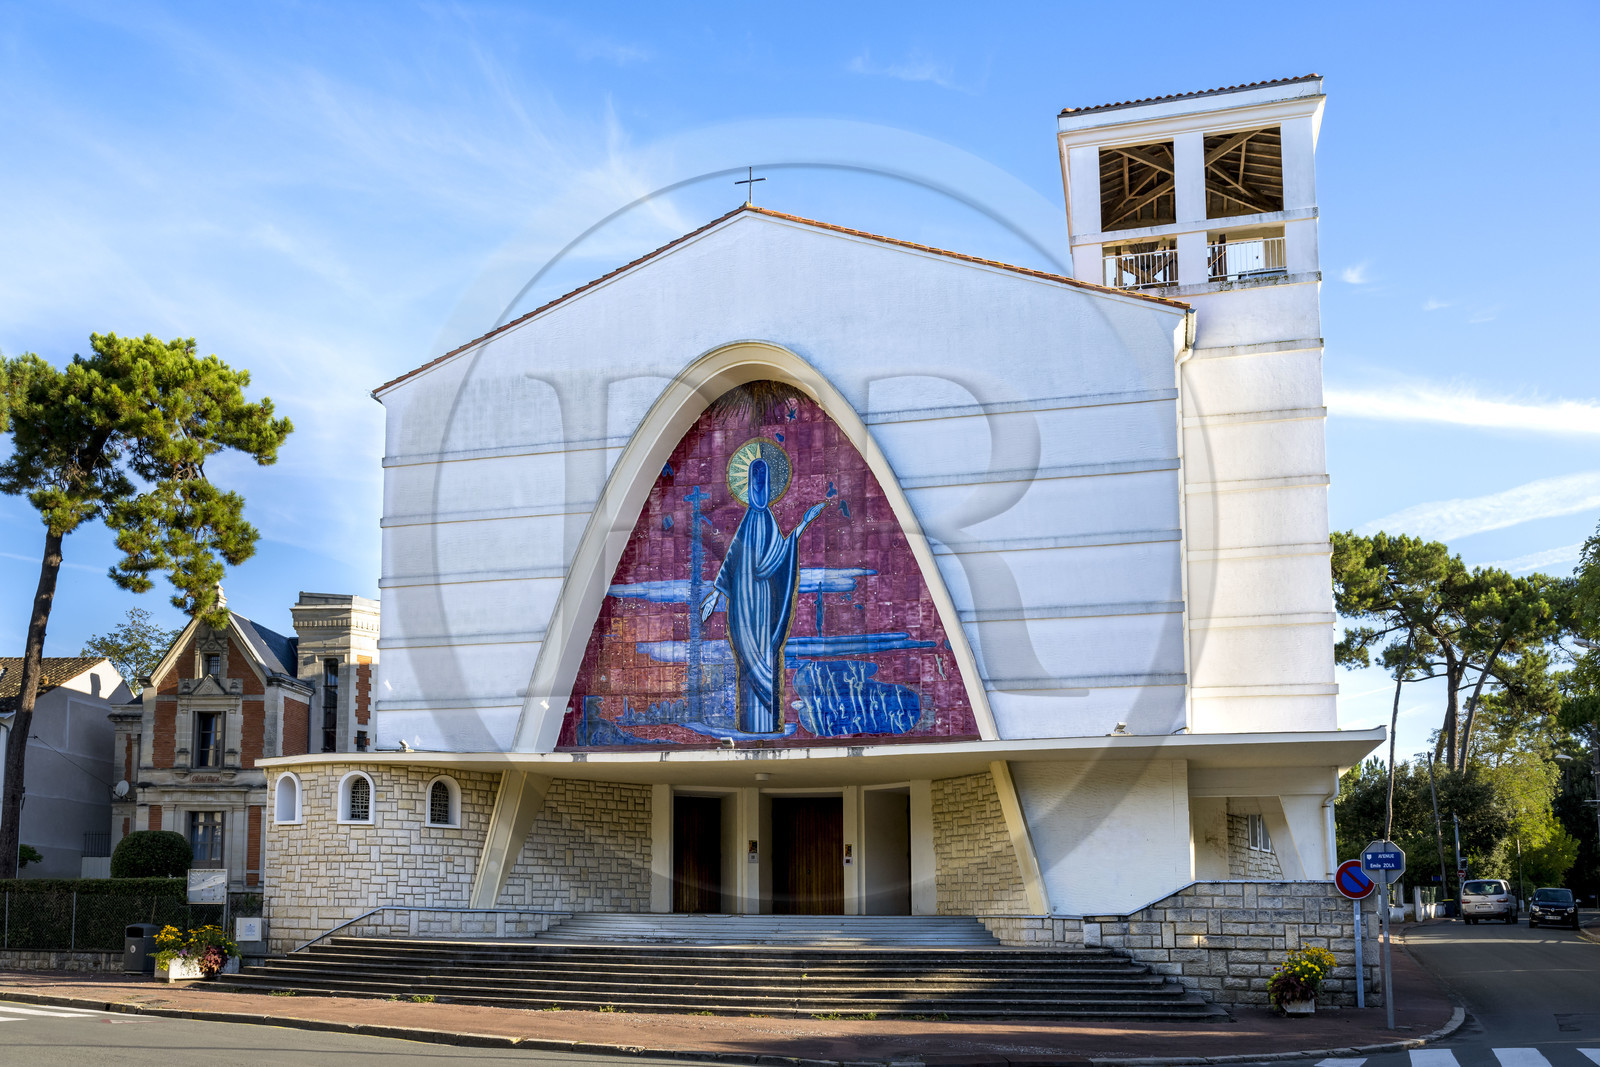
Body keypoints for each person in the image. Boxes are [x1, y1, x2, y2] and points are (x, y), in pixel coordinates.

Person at [701, 456, 826, 733]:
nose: (760, 492)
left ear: (769, 488)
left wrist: (804, 523)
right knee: (747, 661)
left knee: (766, 658)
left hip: (764, 605)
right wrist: (715, 595)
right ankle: (748, 723)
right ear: (748, 489)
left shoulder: (769, 521)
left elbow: (782, 553)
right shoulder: (747, 524)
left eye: (764, 487)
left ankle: (766, 724)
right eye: (755, 487)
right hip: (744, 605)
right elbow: (732, 560)